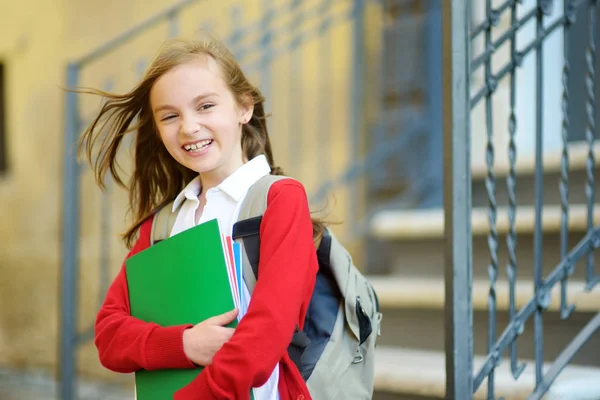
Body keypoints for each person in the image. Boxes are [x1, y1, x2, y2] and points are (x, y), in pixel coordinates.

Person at [79, 36, 324, 400]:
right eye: (170, 116)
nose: (189, 127)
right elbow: (110, 337)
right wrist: (185, 343)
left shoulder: (280, 200)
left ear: (244, 108)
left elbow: (265, 337)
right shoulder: (162, 223)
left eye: (205, 106)